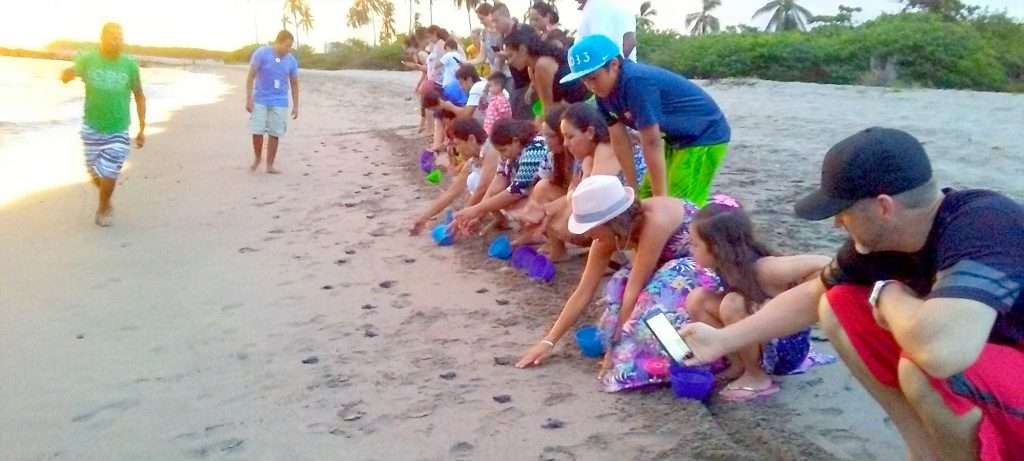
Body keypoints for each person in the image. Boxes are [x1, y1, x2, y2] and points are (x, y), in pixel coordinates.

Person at [679, 128, 1024, 460]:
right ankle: (924, 454)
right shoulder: (883, 240)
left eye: (842, 212)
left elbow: (940, 351)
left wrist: (887, 292)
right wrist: (722, 339)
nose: (837, 224)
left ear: (883, 208)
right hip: (993, 375)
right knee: (837, 303)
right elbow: (810, 295)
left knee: (923, 370)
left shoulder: (984, 224)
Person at [516, 176, 728, 393]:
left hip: (700, 267)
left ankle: (689, 357)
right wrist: (548, 341)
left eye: (589, 227)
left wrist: (616, 349)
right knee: (618, 287)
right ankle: (640, 347)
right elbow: (583, 291)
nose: (587, 234)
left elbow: (636, 288)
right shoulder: (607, 237)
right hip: (662, 270)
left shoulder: (654, 221)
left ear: (611, 222)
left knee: (649, 305)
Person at [560, 34, 730, 206]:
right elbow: (620, 142)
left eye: (594, 78)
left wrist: (660, 200)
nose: (591, 86)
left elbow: (651, 142)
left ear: (614, 65)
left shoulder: (635, 82)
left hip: (704, 135)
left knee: (678, 205)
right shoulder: (603, 96)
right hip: (674, 139)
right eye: (584, 80)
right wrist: (632, 190)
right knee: (645, 198)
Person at [686, 204, 832, 401]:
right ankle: (739, 365)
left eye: (695, 245)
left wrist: (794, 301)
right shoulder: (726, 267)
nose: (690, 249)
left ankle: (756, 376)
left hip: (785, 350)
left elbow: (825, 264)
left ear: (717, 248)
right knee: (698, 299)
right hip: (760, 338)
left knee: (733, 303)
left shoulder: (765, 268)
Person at [60, 22, 146, 227]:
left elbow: (139, 95)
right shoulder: (89, 59)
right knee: (95, 173)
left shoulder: (130, 65)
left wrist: (142, 128)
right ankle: (106, 196)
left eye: (120, 37)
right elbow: (70, 73)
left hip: (119, 127)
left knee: (109, 170)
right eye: (113, 36)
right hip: (92, 125)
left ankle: (103, 206)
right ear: (103, 38)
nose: (117, 40)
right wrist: (67, 74)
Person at [453, 119, 551, 232]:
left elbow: (515, 192)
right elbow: (498, 181)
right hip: (535, 191)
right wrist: (478, 214)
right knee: (501, 200)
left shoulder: (534, 150)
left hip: (551, 194)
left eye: (503, 150)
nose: (502, 156)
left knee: (514, 202)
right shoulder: (511, 152)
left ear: (515, 141)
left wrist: (476, 210)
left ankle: (541, 231)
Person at [410, 118, 491, 236]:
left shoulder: (491, 150)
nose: (457, 149)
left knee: (475, 181)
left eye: (457, 144)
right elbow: (452, 192)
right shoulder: (474, 160)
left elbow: (482, 188)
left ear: (471, 139)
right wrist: (424, 218)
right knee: (473, 180)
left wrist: (461, 217)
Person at [503, 25, 589, 123]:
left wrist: (532, 127)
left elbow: (548, 108)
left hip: (584, 106)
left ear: (522, 49)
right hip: (571, 109)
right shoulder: (531, 69)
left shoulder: (542, 65)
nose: (508, 62)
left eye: (510, 56)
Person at [245, 30, 299, 175]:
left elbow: (294, 83)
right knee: (257, 131)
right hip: (260, 99)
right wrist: (248, 98)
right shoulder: (261, 53)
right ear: (278, 42)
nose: (288, 49)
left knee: (275, 133)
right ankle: (257, 158)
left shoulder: (291, 60)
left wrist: (296, 105)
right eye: (286, 46)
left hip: (280, 101)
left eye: (290, 46)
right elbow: (251, 76)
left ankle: (270, 165)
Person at [490, 4, 534, 120]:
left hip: (530, 83)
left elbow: (535, 56)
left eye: (496, 21)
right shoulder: (502, 38)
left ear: (506, 16)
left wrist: (533, 84)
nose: (494, 25)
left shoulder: (523, 30)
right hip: (517, 83)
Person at [483, 72, 512, 136]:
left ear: (498, 86)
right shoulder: (495, 100)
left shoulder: (501, 101)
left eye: (490, 86)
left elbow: (505, 118)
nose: (489, 89)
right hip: (489, 131)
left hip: (496, 132)